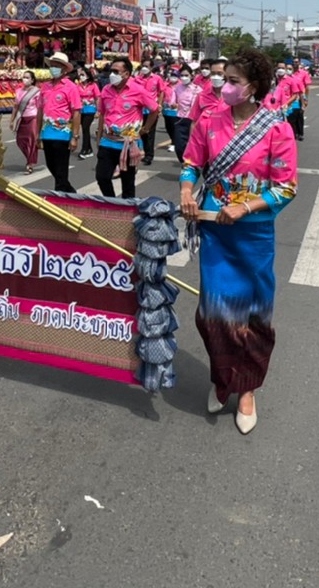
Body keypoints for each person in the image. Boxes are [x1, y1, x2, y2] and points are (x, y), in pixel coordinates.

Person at [179, 49, 297, 436]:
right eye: (222, 78)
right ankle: (222, 377)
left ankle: (246, 389)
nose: (223, 86)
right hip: (215, 232)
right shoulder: (208, 122)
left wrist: (246, 207)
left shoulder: (276, 129)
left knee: (252, 316)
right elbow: (191, 164)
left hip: (253, 235)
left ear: (254, 88)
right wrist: (186, 191)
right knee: (212, 314)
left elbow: (286, 188)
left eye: (232, 81)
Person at [94, 56, 150, 198]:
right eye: (111, 71)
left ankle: (127, 212)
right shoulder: (106, 90)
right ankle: (112, 202)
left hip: (128, 144)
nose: (112, 74)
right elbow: (102, 114)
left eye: (116, 71)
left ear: (126, 74)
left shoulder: (138, 90)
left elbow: (155, 109)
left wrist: (146, 128)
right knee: (102, 177)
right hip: (107, 142)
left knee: (128, 183)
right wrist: (99, 137)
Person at [38, 52, 82, 193]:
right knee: (52, 167)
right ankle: (71, 193)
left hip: (63, 134)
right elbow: (40, 111)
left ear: (64, 69)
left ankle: (60, 198)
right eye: (52, 65)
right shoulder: (45, 86)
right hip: (47, 133)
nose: (54, 68)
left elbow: (76, 112)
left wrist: (74, 137)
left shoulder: (70, 87)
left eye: (57, 66)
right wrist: (38, 134)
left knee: (61, 170)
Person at [9, 70, 41, 174]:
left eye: (27, 77)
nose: (25, 79)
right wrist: (12, 120)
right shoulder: (19, 91)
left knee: (31, 141)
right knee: (20, 140)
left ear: (32, 80)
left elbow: (40, 107)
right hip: (22, 118)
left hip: (33, 118)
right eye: (24, 77)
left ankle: (30, 163)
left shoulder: (36, 91)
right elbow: (16, 106)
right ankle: (29, 158)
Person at [76, 65, 99, 158]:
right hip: (81, 110)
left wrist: (98, 110)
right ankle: (89, 149)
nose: (81, 76)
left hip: (90, 110)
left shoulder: (93, 85)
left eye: (82, 74)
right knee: (85, 130)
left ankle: (84, 149)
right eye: (80, 75)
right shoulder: (78, 86)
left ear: (88, 75)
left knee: (85, 128)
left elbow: (97, 98)